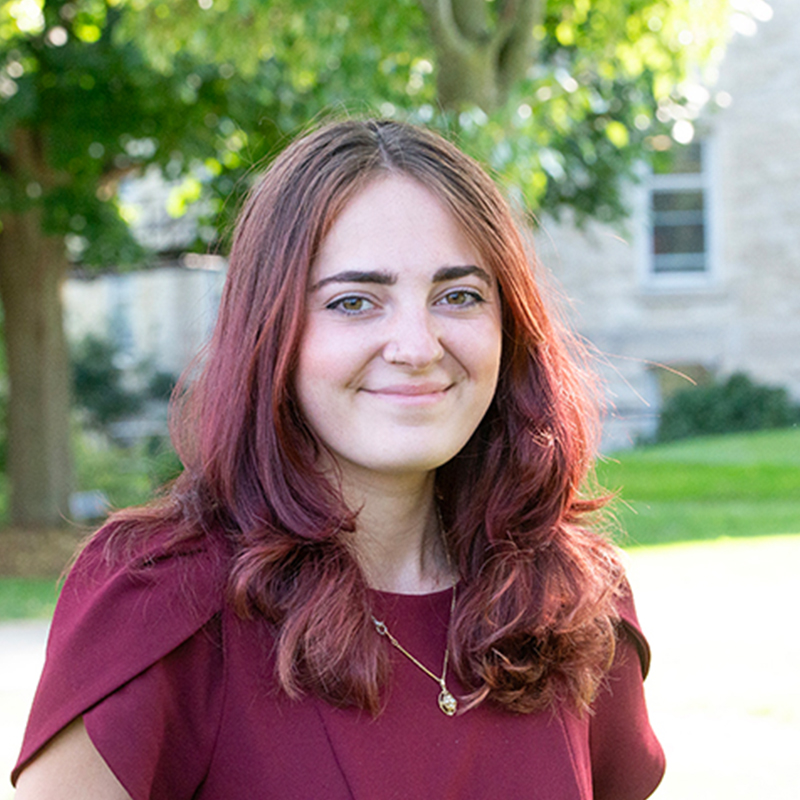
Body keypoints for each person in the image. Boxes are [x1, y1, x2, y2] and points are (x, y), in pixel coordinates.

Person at [12, 119, 665, 799]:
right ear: (273, 333)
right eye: (354, 302)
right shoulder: (158, 601)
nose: (417, 346)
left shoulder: (570, 603)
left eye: (459, 295)